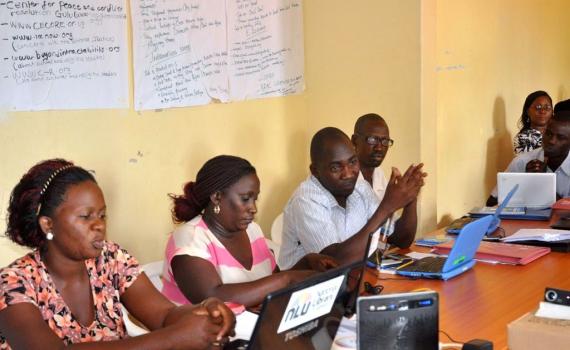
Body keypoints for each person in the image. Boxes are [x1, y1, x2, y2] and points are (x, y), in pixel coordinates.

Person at [0, 159, 235, 350]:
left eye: (102, 215)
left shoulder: (110, 259)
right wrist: (173, 338)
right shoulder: (14, 284)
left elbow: (164, 314)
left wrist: (204, 311)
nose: (99, 225)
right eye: (86, 216)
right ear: (48, 225)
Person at [163, 155, 337, 309]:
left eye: (255, 199)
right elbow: (213, 297)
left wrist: (306, 263)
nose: (253, 208)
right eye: (245, 199)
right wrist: (288, 279)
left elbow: (271, 281)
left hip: (249, 331)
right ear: (217, 197)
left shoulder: (252, 230)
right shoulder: (190, 238)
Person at [278, 127, 426, 270]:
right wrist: (387, 207)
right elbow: (333, 264)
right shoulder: (306, 200)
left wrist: (410, 197)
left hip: (353, 280)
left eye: (352, 162)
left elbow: (401, 240)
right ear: (315, 171)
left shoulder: (360, 188)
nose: (348, 174)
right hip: (304, 290)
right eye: (336, 168)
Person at [352, 113, 420, 240]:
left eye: (385, 141)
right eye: (372, 140)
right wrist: (389, 204)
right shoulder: (346, 179)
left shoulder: (378, 175)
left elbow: (399, 239)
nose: (379, 147)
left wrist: (411, 196)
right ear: (355, 141)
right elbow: (362, 240)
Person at [487, 111, 570, 206]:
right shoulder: (522, 162)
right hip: (527, 220)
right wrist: (525, 182)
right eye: (549, 134)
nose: (551, 141)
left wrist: (543, 182)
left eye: (561, 137)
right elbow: (491, 202)